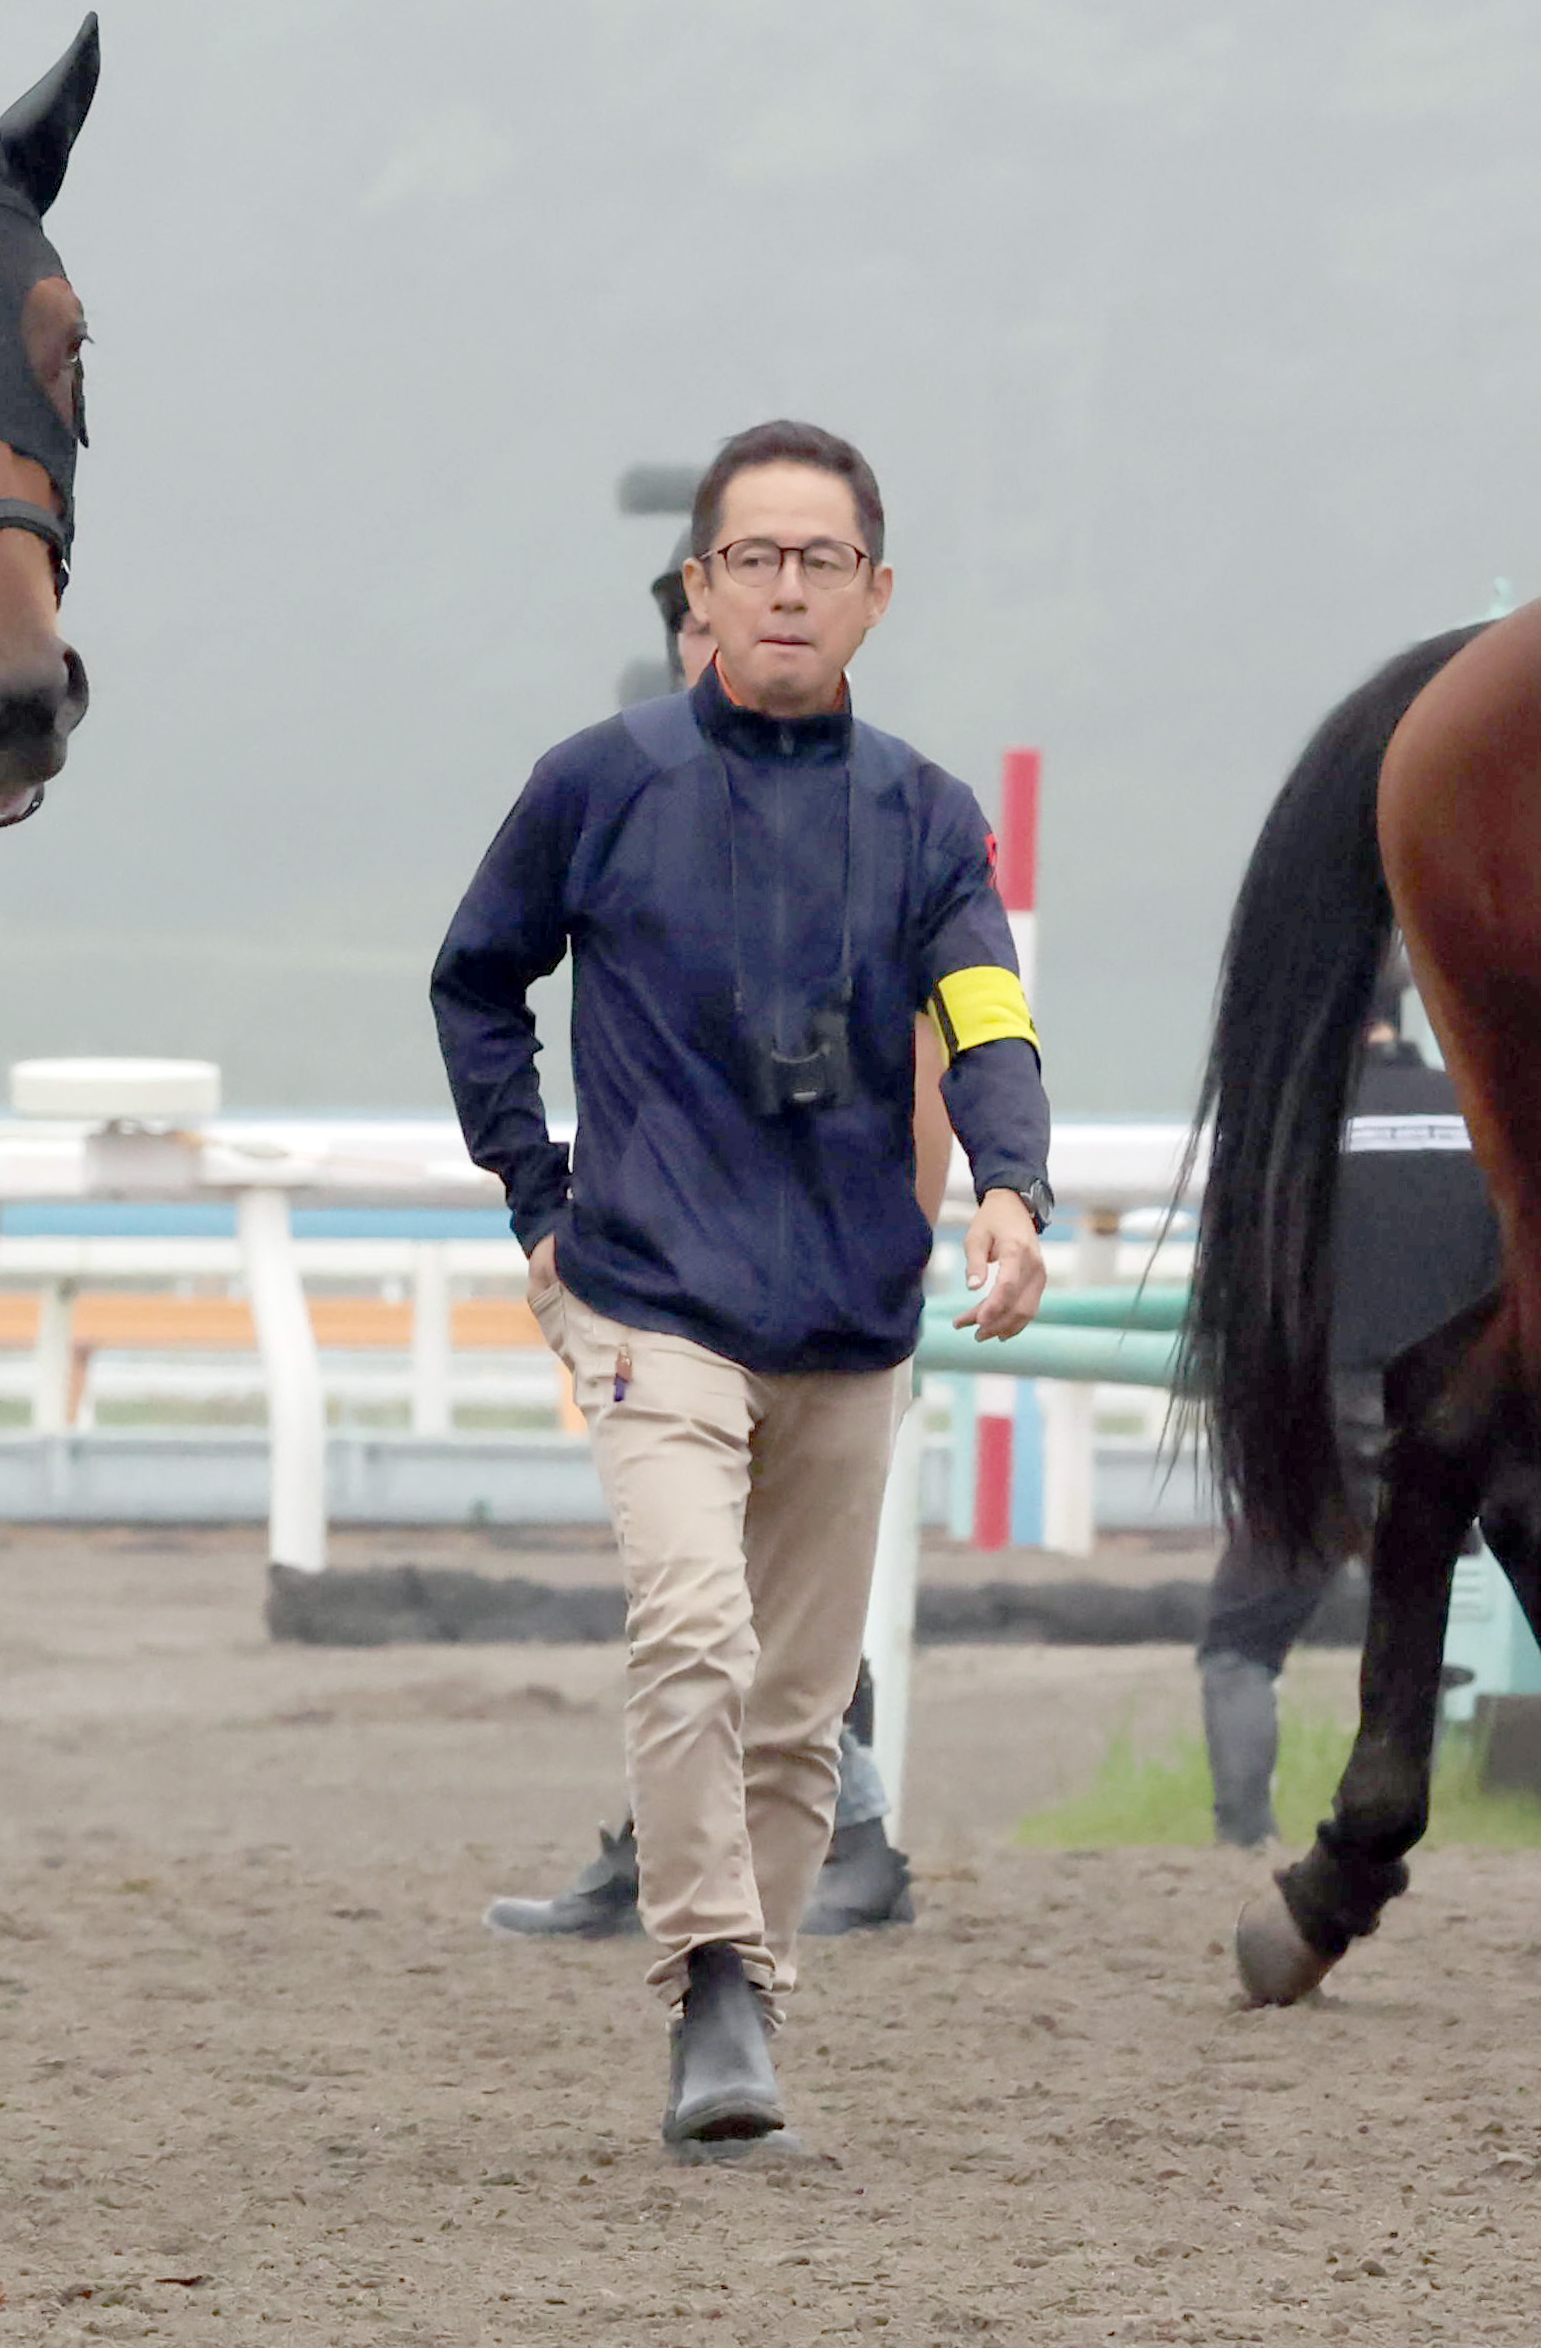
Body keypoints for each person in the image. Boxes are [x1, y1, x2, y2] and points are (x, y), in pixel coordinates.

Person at [432, 418, 1053, 2155]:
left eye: (823, 561)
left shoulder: (928, 816)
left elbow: (985, 1013)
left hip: (852, 1317)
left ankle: (749, 1996)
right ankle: (706, 1968)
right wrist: (535, 1194)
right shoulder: (597, 780)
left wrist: (1009, 1184)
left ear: (874, 593)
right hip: (647, 1299)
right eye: (755, 558)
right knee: (692, 1628)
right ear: (700, 586)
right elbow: (476, 981)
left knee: (797, 1700)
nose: (789, 588)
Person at [485, 565, 922, 1944]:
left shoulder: (878, 817)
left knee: (765, 1596)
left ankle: (839, 1824)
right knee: (692, 1591)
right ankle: (680, 1866)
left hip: (830, 1277)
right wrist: (547, 1207)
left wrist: (905, 1239)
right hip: (667, 1283)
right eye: (691, 623)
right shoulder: (627, 798)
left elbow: (927, 1046)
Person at [1196, 944, 1500, 1844]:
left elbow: (1248, 1298)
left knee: (1239, 1646)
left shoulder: (1288, 1132)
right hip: (1460, 1422)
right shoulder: (1477, 1113)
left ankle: (1241, 1835)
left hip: (1320, 1424)